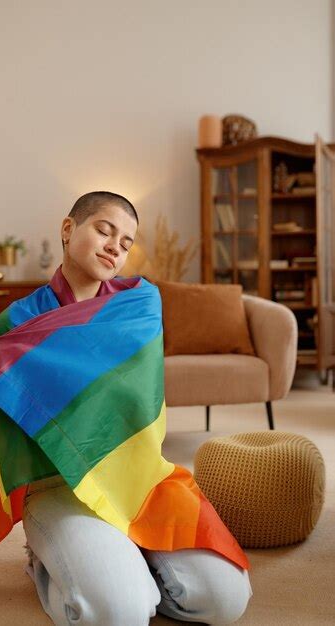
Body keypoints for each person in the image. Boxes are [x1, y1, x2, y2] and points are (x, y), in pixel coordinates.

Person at [22, 191, 253, 625]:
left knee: (225, 600)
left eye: (126, 242)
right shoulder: (19, 323)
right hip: (62, 487)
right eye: (104, 230)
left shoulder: (139, 306)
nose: (115, 246)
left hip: (140, 478)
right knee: (121, 614)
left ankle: (127, 564)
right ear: (69, 229)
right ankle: (45, 564)